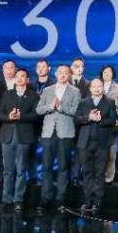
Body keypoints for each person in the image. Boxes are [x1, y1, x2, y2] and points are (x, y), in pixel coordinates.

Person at [36, 64, 80, 214]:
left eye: (66, 73)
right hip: (48, 133)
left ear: (69, 75)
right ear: (55, 74)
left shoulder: (75, 91)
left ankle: (61, 199)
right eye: (60, 72)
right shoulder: (47, 90)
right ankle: (46, 198)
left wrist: (60, 107)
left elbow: (75, 111)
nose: (62, 75)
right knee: (46, 167)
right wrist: (51, 106)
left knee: (63, 167)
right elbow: (38, 109)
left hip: (65, 133)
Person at [0, 68, 40, 215]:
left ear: (27, 79)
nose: (20, 78)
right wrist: (8, 117)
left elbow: (36, 115)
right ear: (14, 79)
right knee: (7, 170)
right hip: (7, 135)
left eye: (23, 76)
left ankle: (18, 200)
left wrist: (22, 117)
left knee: (21, 170)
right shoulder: (7, 94)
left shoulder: (33, 95)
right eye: (17, 76)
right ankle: (6, 199)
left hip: (24, 135)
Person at [76, 77, 118, 214]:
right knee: (87, 172)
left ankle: (97, 201)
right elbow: (76, 119)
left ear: (102, 87)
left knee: (100, 173)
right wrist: (88, 117)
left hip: (102, 142)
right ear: (90, 89)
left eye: (99, 86)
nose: (97, 88)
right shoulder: (83, 102)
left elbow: (113, 120)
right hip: (85, 142)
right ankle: (88, 200)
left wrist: (100, 120)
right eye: (94, 86)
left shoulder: (110, 102)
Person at [99, 65, 118, 183]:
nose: (106, 74)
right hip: (97, 124)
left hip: (113, 124)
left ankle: (109, 177)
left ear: (113, 74)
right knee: (98, 152)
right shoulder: (96, 85)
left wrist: (106, 109)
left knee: (111, 153)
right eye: (104, 72)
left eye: (109, 72)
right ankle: (98, 176)